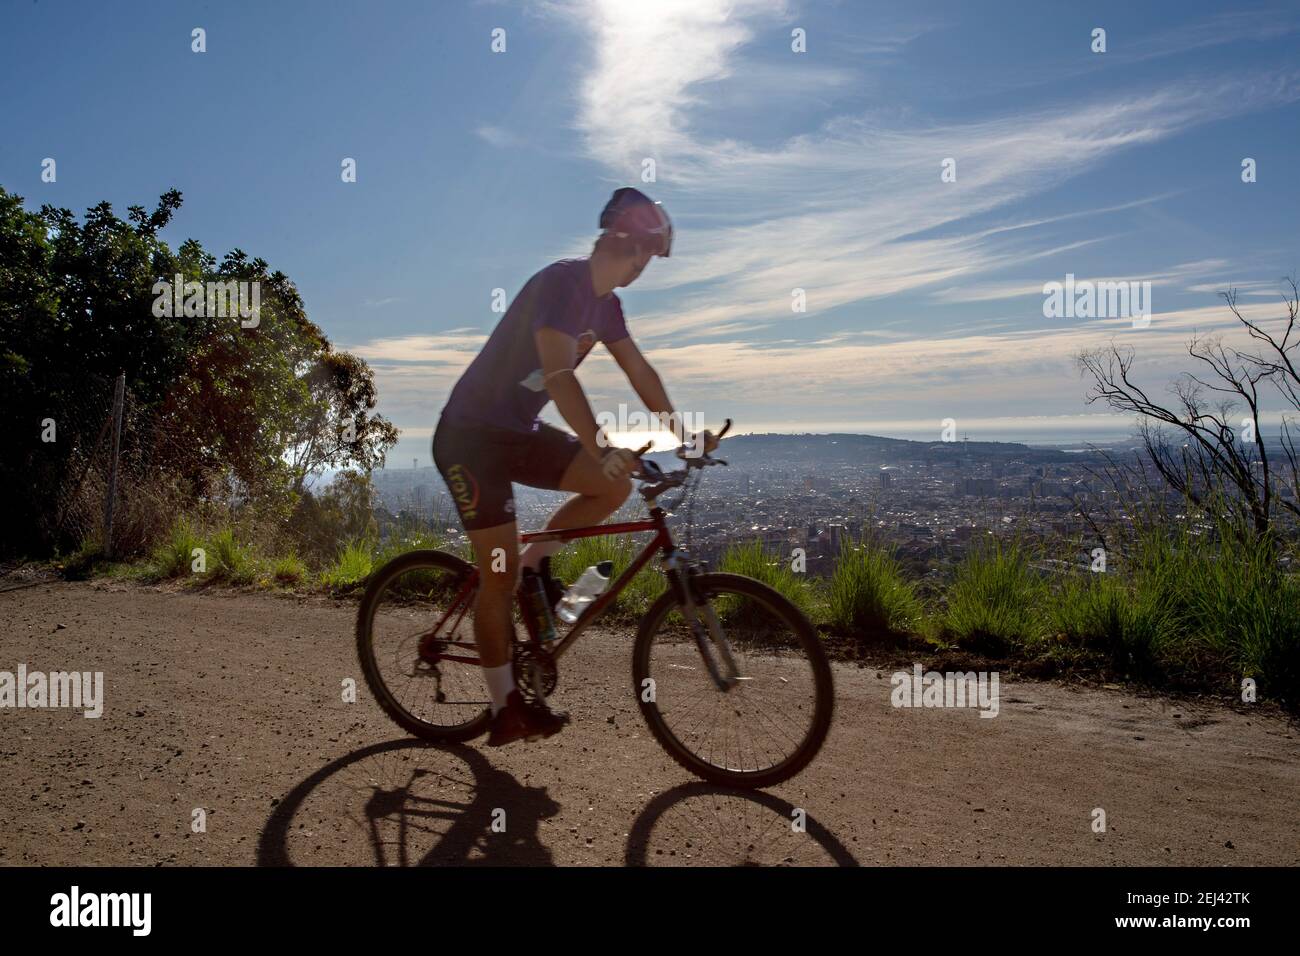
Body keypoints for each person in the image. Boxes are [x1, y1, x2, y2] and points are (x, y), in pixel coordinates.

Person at [433, 187, 716, 747]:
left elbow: (639, 371)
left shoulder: (607, 306)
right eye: (646, 255)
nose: (645, 267)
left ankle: (536, 565)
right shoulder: (562, 283)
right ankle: (504, 708)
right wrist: (601, 442)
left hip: (517, 433)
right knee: (497, 576)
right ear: (625, 244)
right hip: (470, 440)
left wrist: (682, 432)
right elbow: (560, 375)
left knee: (608, 487)